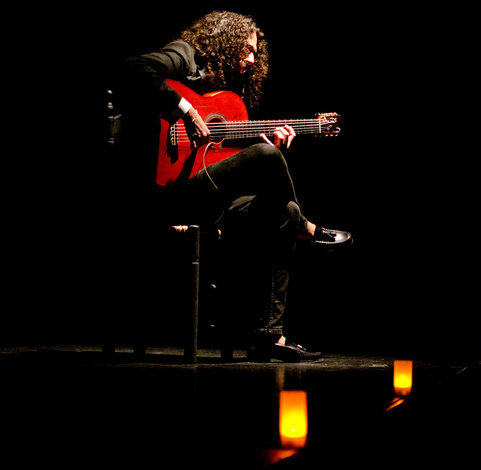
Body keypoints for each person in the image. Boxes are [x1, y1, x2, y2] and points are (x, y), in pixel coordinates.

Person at [117, 10, 350, 362]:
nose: (253, 59)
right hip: (169, 193)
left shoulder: (231, 96)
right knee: (267, 159)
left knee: (282, 208)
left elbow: (217, 154)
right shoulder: (186, 56)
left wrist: (273, 146)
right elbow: (131, 69)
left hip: (207, 194)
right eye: (246, 49)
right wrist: (184, 109)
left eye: (257, 53)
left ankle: (270, 336)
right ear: (223, 41)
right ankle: (307, 227)